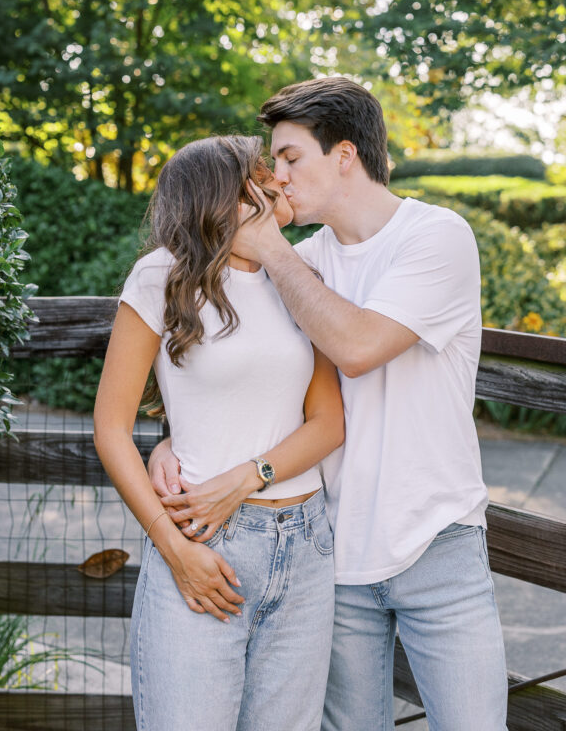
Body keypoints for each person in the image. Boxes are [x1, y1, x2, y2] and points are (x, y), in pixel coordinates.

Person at [150, 77, 508, 731]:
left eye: (289, 158)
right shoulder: (300, 258)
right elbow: (238, 372)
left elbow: (357, 345)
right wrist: (174, 441)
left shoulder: (435, 237)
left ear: (344, 155)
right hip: (332, 562)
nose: (277, 179)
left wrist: (275, 252)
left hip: (437, 550)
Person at [94, 134, 344, 731]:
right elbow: (110, 427)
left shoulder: (298, 275)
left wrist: (246, 476)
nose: (280, 179)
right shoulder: (161, 277)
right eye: (263, 173)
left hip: (304, 546)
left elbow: (329, 423)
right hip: (206, 545)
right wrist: (175, 550)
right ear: (226, 197)